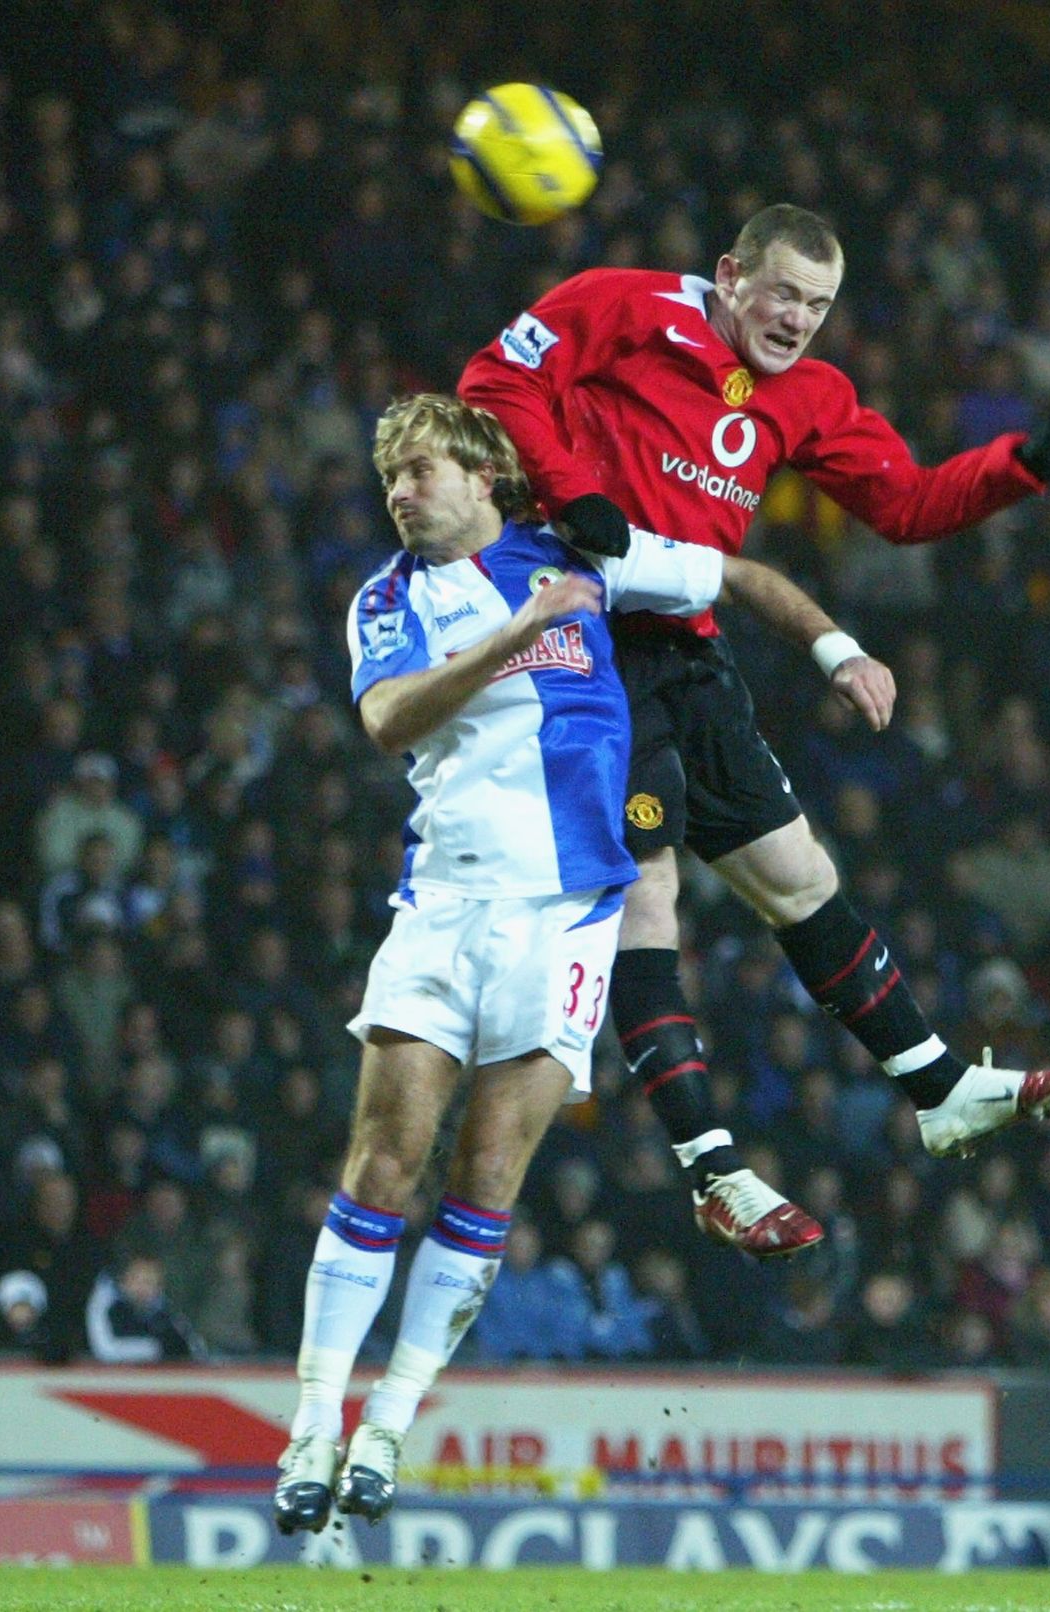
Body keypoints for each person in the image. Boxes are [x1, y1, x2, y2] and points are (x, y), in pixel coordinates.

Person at [273, 392, 895, 1535]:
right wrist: (515, 637)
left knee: (488, 1181)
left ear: (482, 476)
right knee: (380, 1166)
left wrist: (834, 644)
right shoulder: (391, 599)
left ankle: (387, 1426)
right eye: (390, 480)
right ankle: (313, 1420)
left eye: (419, 472)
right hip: (448, 905)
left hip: (567, 921)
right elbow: (389, 719)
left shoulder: (580, 558)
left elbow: (732, 573)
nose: (401, 494)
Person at [460, 202, 1050, 1254]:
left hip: (688, 647)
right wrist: (572, 493)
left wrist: (1024, 463)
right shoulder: (623, 305)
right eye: (783, 293)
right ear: (729, 274)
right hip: (584, 641)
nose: (798, 318)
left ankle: (940, 1088)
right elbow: (494, 380)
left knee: (799, 876)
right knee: (648, 886)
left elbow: (909, 504)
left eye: (818, 303)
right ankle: (712, 1168)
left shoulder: (809, 394)